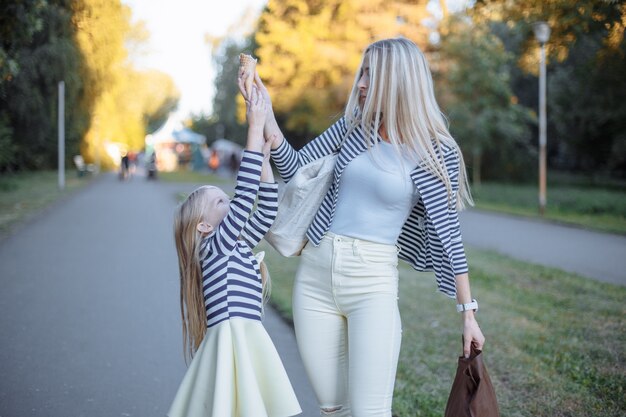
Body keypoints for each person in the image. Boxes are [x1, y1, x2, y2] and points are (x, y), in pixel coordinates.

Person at [239, 37, 485, 417]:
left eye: (371, 73)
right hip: (316, 277)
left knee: (369, 411)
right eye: (363, 72)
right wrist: (266, 112)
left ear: (398, 80)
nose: (362, 82)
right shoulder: (355, 128)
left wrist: (467, 314)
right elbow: (294, 168)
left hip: (373, 283)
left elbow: (450, 235)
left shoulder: (435, 150)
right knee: (332, 407)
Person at [169, 87, 301, 417]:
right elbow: (244, 199)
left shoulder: (236, 246)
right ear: (204, 226)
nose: (227, 201)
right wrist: (254, 130)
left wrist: (266, 164)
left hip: (247, 338)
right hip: (232, 342)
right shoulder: (216, 248)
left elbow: (266, 210)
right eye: (218, 202)